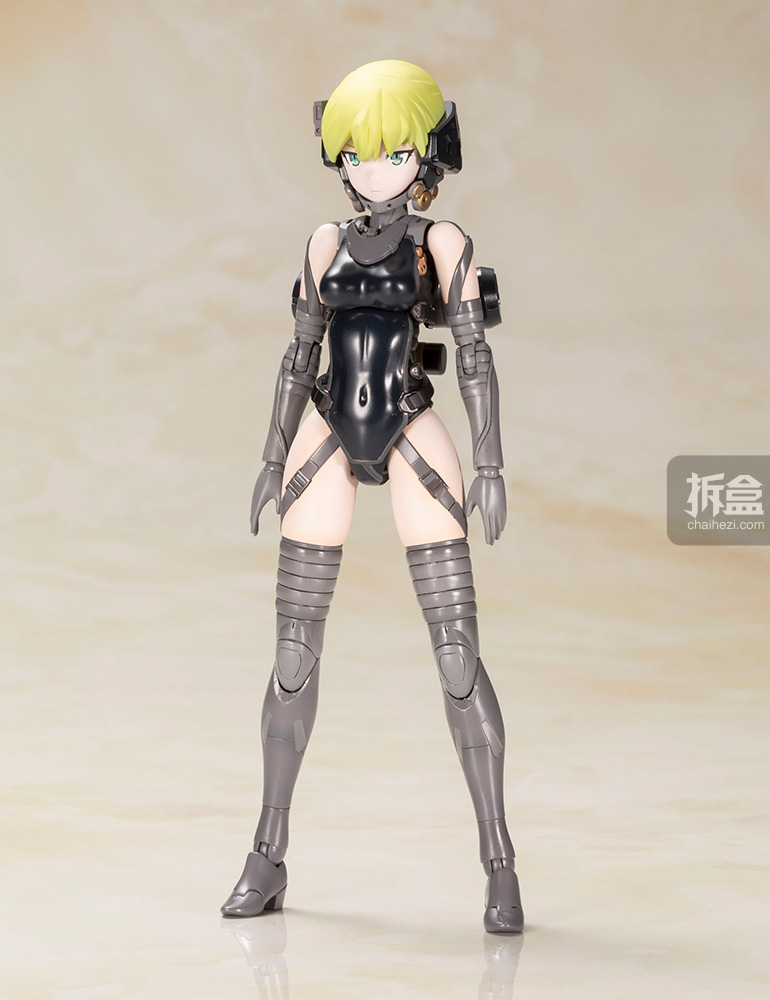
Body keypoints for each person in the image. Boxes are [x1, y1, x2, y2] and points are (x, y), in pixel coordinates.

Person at [220, 60, 523, 933]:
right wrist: (271, 455)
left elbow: (474, 358)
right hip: (323, 430)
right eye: (356, 152)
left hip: (413, 427)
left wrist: (492, 466)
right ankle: (267, 853)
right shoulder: (325, 241)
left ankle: (499, 862)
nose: (374, 169)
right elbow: (298, 355)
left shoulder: (442, 241)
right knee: (293, 653)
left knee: (457, 656)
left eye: (391, 152)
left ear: (424, 152)